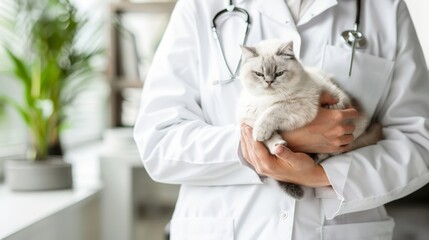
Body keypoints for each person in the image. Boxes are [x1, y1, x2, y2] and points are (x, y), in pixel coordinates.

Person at [133, 0, 429, 239]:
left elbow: (418, 140)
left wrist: (324, 176)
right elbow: (158, 140)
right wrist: (273, 144)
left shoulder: (384, 8)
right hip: (224, 228)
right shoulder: (201, 6)